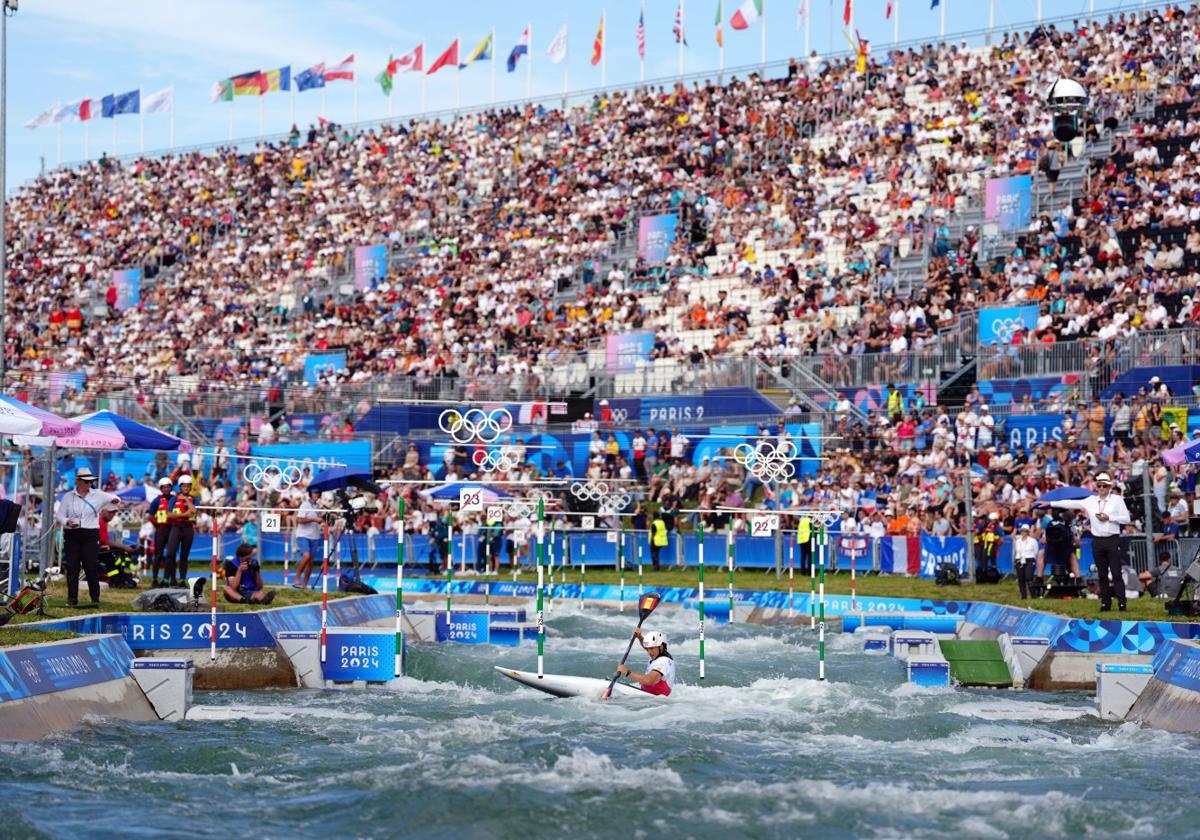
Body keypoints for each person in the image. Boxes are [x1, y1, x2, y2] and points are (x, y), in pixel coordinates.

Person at [1043, 472, 1131, 611]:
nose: (1101, 488)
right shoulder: (1091, 500)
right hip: (1097, 540)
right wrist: (1051, 503)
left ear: (1109, 487)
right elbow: (1071, 502)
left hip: (1112, 539)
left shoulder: (1117, 500)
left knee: (1116, 573)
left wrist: (1110, 517)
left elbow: (1126, 519)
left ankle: (1122, 603)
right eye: (1099, 485)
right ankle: (1105, 603)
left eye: (1104, 485)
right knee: (1102, 574)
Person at [54, 468, 121, 607]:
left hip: (90, 533)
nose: (89, 484)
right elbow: (59, 515)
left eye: (91, 481)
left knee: (90, 566)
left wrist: (115, 500)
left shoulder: (98, 494)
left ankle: (95, 598)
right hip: (72, 533)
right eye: (86, 481)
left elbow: (116, 498)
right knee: (72, 567)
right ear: (78, 481)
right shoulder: (68, 496)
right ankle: (72, 599)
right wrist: (67, 522)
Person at [614, 629, 675, 696]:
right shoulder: (658, 653)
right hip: (647, 694)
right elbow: (648, 646)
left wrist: (627, 672)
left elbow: (650, 680)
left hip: (655, 700)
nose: (649, 652)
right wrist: (640, 637)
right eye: (647, 649)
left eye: (651, 649)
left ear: (660, 647)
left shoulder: (663, 662)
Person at [163, 474, 197, 587]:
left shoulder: (193, 499)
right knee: (170, 554)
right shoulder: (173, 499)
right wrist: (184, 515)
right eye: (184, 486)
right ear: (180, 487)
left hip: (188, 529)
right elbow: (169, 514)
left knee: (184, 556)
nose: (186, 488)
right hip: (176, 528)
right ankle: (166, 579)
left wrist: (186, 499)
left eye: (188, 486)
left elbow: (194, 510)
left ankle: (182, 580)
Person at [293, 487, 325, 589]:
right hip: (303, 535)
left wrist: (322, 521)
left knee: (311, 562)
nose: (316, 495)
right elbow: (299, 520)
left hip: (315, 536)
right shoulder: (305, 505)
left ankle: (305, 585)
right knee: (306, 556)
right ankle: (296, 579)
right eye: (315, 493)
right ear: (310, 494)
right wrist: (314, 519)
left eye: (318, 493)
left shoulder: (318, 506)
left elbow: (319, 520)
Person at [146, 476, 174, 586]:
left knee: (171, 555)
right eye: (164, 487)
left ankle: (170, 579)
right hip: (161, 530)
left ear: (171, 488)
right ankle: (154, 579)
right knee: (158, 555)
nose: (166, 489)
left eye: (168, 487)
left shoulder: (174, 499)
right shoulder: (157, 500)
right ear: (161, 489)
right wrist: (156, 524)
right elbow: (149, 515)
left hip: (172, 530)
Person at [1013, 523, 1041, 600]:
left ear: (1027, 532)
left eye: (1025, 531)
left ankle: (1033, 595)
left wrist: (1030, 558)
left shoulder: (1032, 541)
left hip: (1029, 559)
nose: (1023, 533)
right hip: (1019, 559)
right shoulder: (1018, 541)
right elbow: (1016, 551)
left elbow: (1036, 551)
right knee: (1021, 578)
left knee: (1029, 577)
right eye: (1022, 531)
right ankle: (1023, 596)